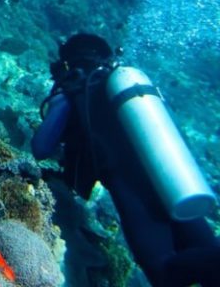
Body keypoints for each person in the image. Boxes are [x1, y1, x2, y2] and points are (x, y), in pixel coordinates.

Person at [32, 33, 220, 287]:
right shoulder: (135, 89)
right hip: (176, 176)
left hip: (130, 187)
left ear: (68, 63)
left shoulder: (75, 89)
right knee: (208, 257)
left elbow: (40, 148)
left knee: (163, 271)